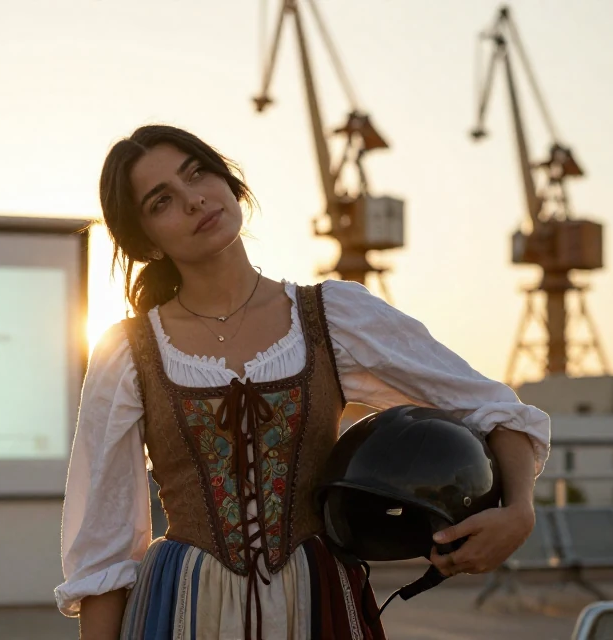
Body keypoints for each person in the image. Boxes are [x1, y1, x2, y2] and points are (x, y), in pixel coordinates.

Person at [55, 124, 551, 640]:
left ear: (230, 183)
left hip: (318, 603)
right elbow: (104, 540)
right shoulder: (128, 352)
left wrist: (519, 512)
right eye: (162, 201)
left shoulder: (332, 315)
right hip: (184, 608)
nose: (193, 199)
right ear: (147, 243)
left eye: (197, 173)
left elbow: (493, 408)